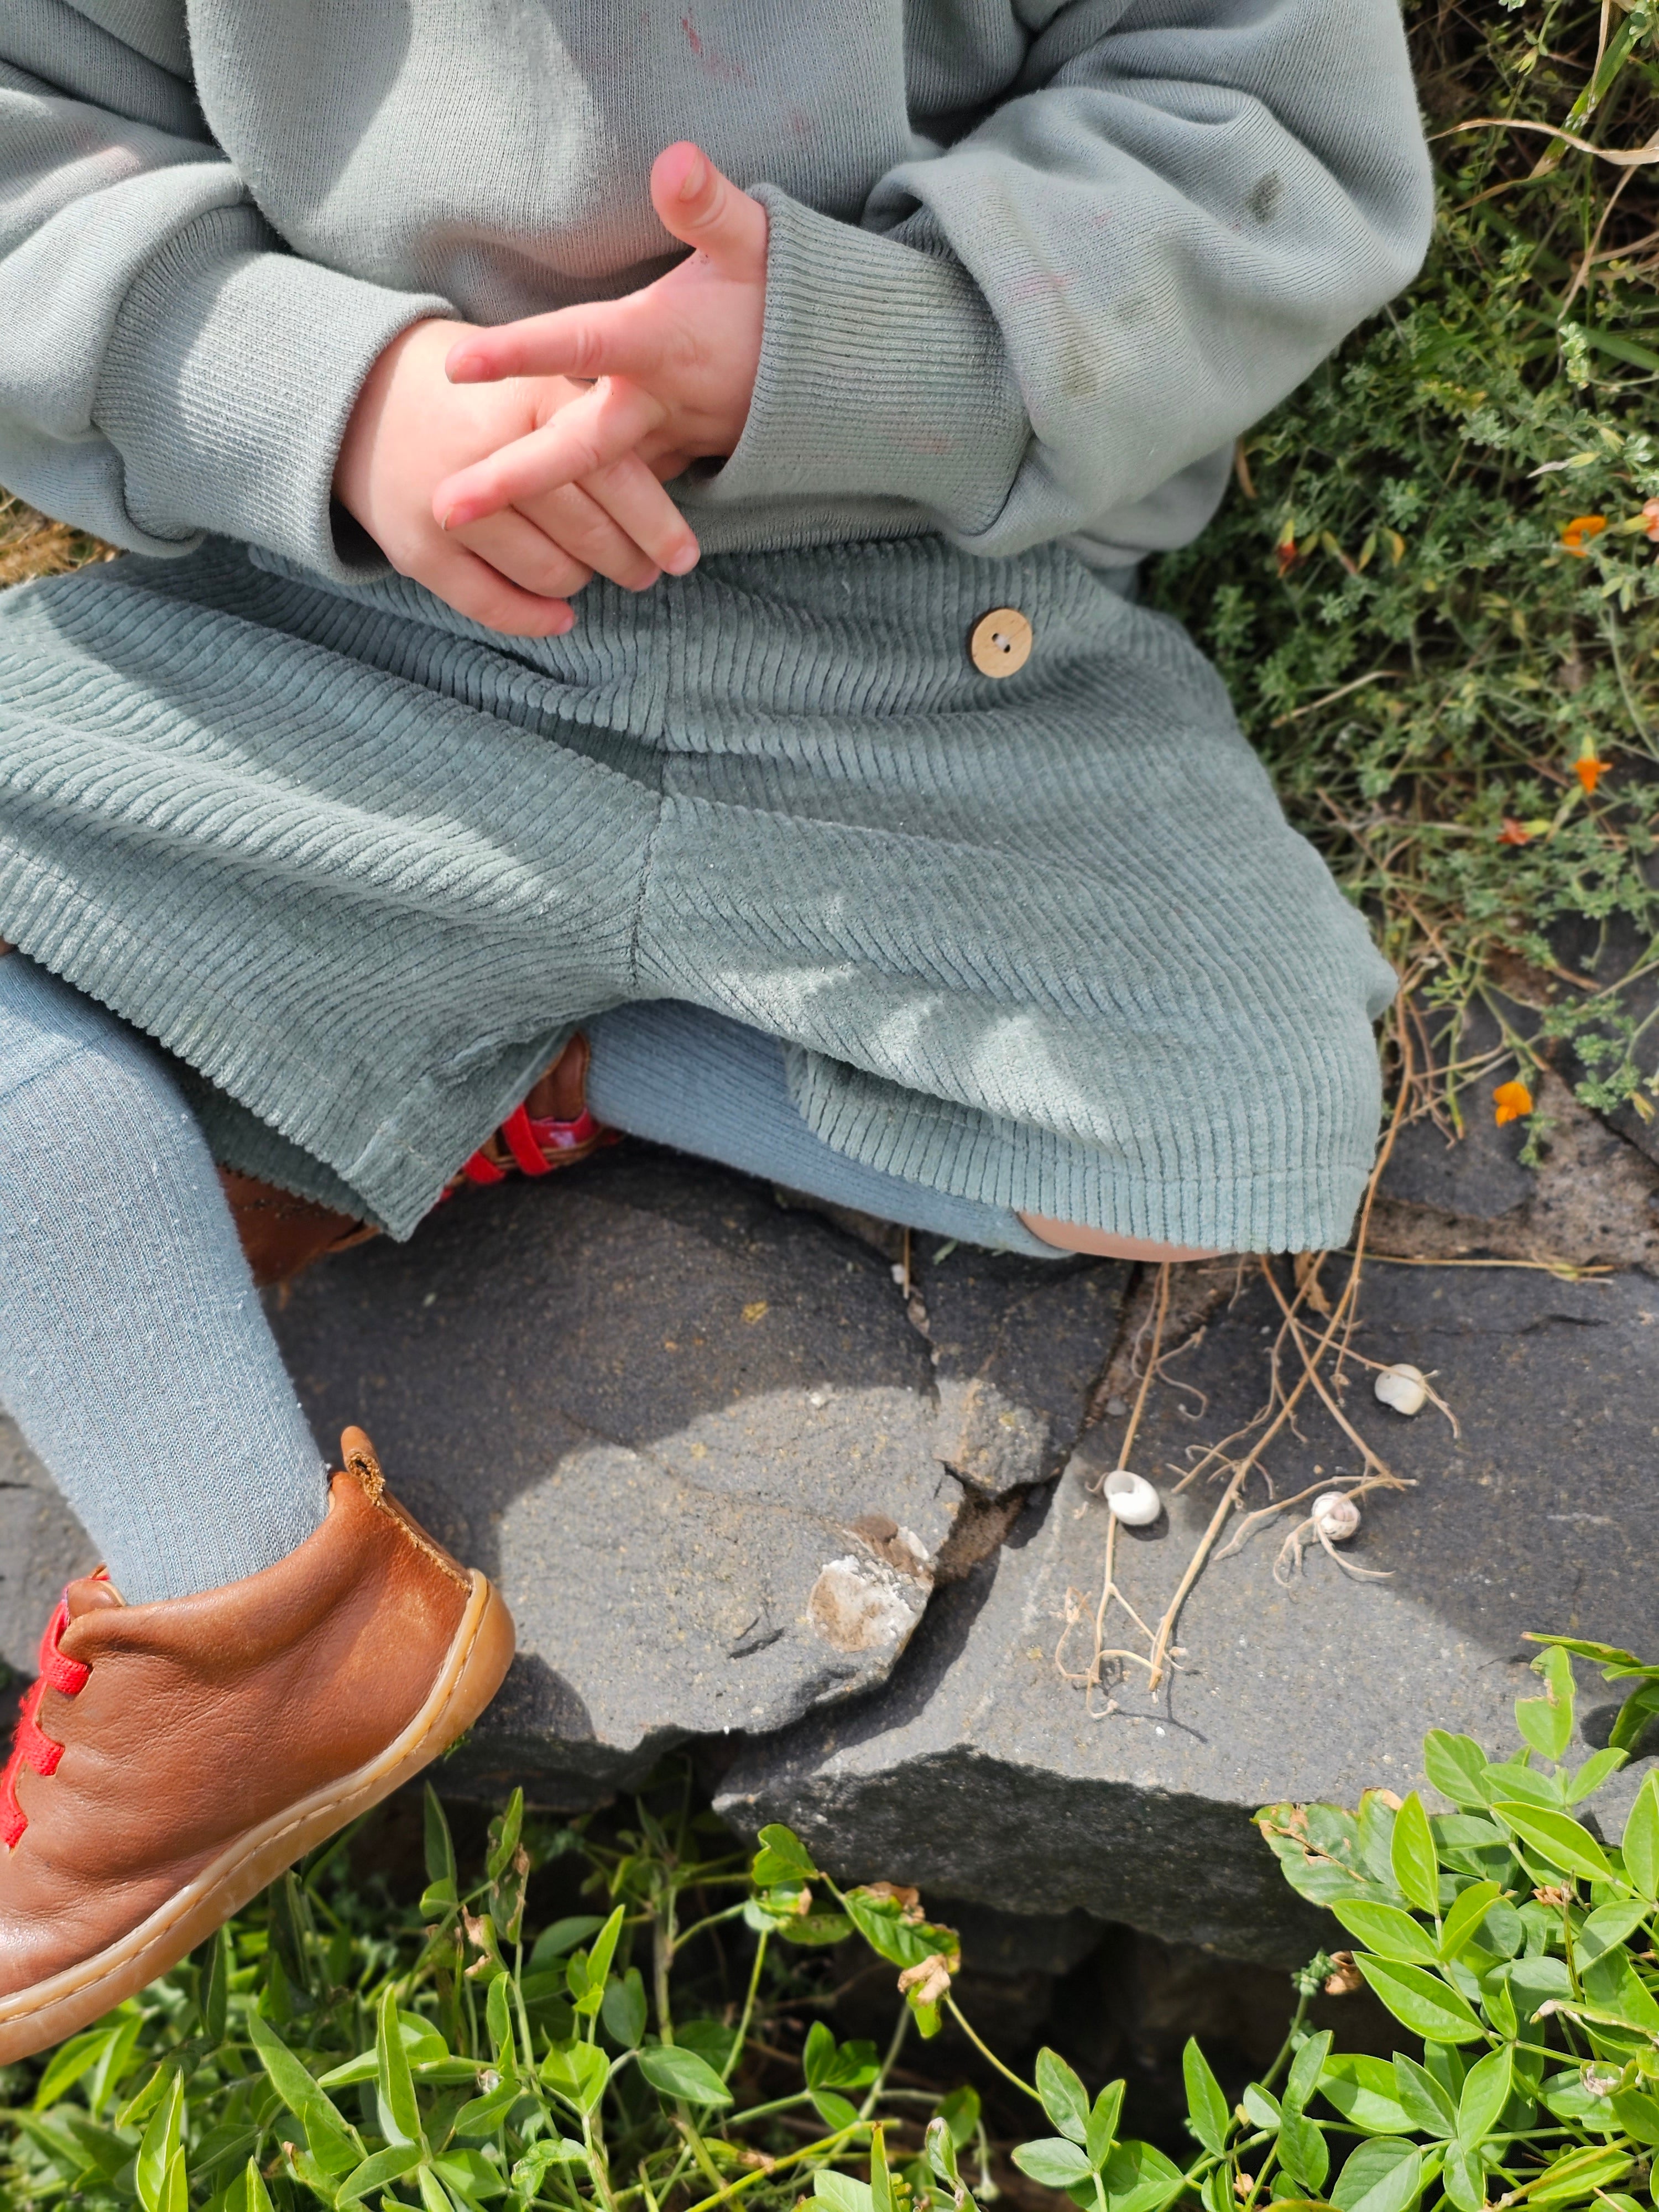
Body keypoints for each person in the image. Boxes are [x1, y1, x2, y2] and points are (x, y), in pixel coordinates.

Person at [0, 0, 1432, 2053]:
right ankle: (246, 1602)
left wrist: (858, 347)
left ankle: (508, 1060)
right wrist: (333, 397)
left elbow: (1259, 111)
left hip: (914, 622)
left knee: (1241, 1124)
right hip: (350, 616)